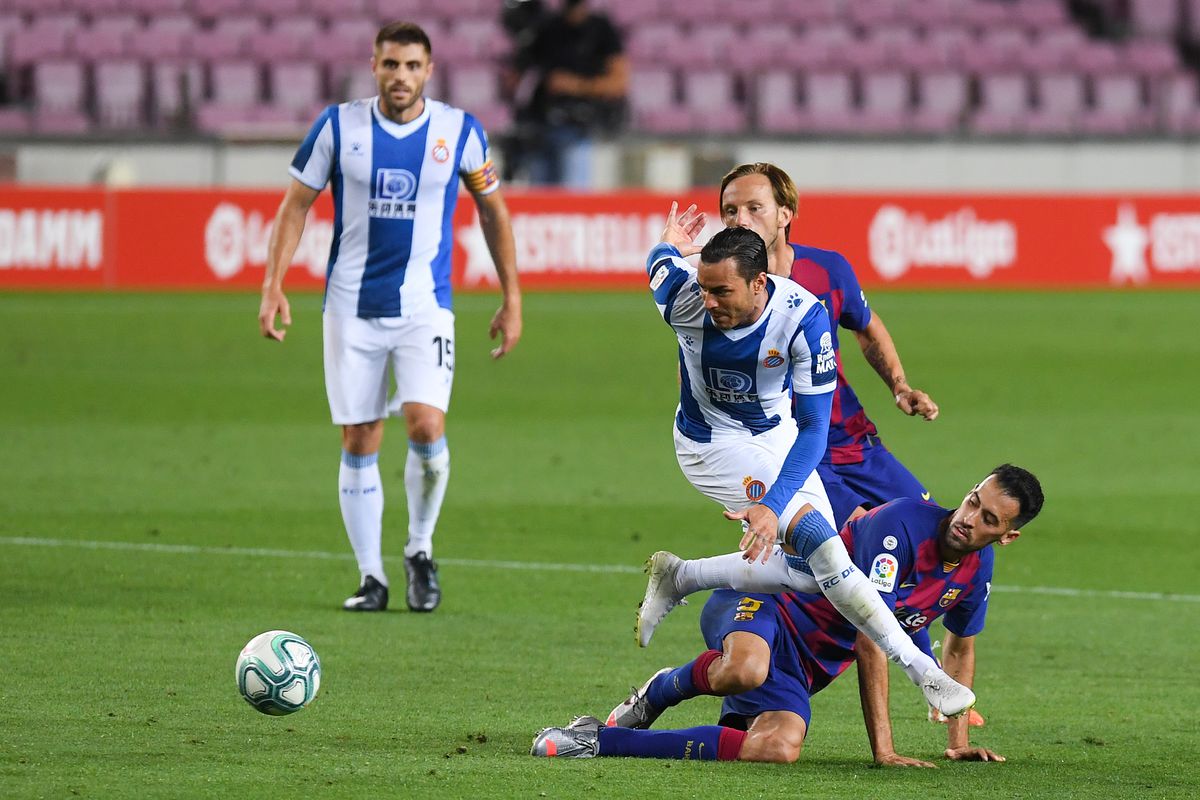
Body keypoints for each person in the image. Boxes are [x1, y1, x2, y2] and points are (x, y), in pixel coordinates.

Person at [655, 162, 975, 724]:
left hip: (786, 437)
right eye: (731, 209)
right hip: (712, 445)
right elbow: (659, 268)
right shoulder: (682, 297)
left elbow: (812, 429)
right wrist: (667, 245)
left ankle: (682, 575)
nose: (708, 302)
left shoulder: (805, 315)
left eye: (721, 291)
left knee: (817, 573)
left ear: (760, 282)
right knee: (824, 549)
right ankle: (924, 674)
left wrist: (772, 505)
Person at [257, 21, 523, 614]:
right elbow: (294, 207)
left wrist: (512, 296)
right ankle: (371, 577)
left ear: (429, 71)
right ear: (373, 67)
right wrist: (272, 285)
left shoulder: (460, 132)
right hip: (350, 309)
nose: (399, 76)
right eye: (389, 65)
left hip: (425, 307)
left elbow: (494, 213)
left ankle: (420, 551)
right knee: (360, 436)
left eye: (411, 66)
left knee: (426, 425)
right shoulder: (337, 127)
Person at [530, 465, 1044, 764]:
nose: (968, 518)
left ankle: (631, 717)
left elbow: (960, 646)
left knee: (777, 747)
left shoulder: (976, 573)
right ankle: (601, 735)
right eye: (972, 501)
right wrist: (883, 752)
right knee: (744, 667)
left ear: (1008, 535)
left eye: (987, 519)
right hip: (765, 603)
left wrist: (958, 742)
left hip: (806, 664)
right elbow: (871, 638)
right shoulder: (901, 526)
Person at [504, 0, 628, 187]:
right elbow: (515, 80)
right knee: (539, 204)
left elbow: (619, 83)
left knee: (573, 197)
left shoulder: (601, 29)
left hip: (579, 127)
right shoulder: (548, 27)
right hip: (542, 127)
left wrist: (574, 85)